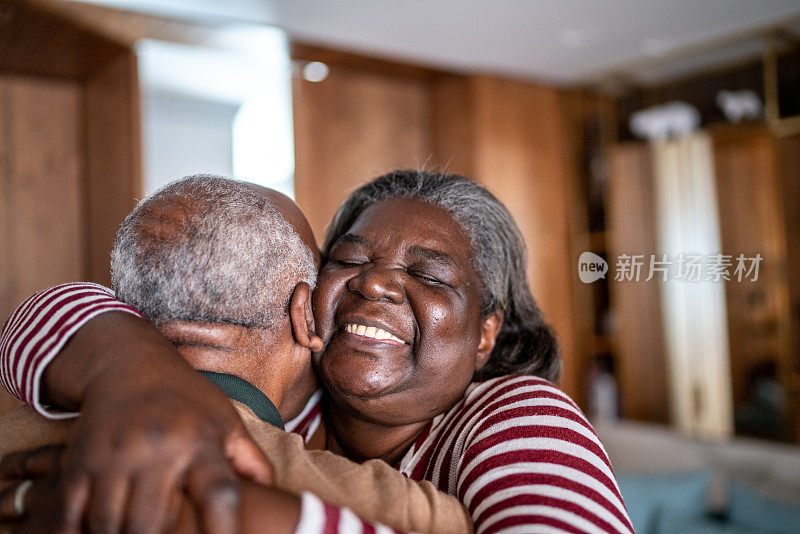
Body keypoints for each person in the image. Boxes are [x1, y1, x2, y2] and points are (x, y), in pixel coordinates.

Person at [1, 170, 634, 533]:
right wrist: (131, 376)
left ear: (485, 335)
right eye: (350, 259)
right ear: (305, 307)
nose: (377, 283)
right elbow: (59, 311)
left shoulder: (514, 418)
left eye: (432, 276)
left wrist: (208, 515)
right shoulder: (293, 395)